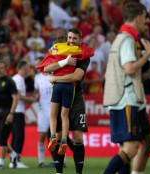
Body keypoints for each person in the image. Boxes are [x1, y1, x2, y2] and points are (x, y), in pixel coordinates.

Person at [103, 2, 150, 173]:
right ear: (138, 18)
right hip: (127, 99)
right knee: (131, 149)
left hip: (124, 97)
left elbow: (108, 74)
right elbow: (130, 68)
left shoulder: (120, 39)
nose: (146, 22)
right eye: (145, 18)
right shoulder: (127, 40)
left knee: (133, 147)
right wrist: (147, 55)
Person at [44, 27, 90, 174]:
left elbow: (76, 76)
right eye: (69, 38)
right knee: (57, 136)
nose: (71, 41)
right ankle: (58, 172)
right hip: (61, 94)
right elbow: (46, 67)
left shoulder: (83, 56)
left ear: (79, 41)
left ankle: (78, 172)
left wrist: (56, 78)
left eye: (74, 38)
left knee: (77, 136)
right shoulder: (60, 52)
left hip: (76, 98)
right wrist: (63, 62)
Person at [11, 60, 37, 168]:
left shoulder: (17, 78)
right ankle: (16, 161)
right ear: (23, 68)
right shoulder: (18, 79)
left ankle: (13, 161)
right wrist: (30, 100)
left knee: (15, 136)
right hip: (17, 111)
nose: (29, 70)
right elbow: (18, 95)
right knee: (19, 136)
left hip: (15, 111)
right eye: (27, 68)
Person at [33, 57, 52, 167]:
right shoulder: (37, 77)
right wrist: (35, 97)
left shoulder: (53, 75)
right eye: (36, 64)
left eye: (38, 64)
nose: (37, 66)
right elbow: (36, 92)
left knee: (56, 135)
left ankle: (61, 160)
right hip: (43, 109)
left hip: (54, 108)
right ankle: (41, 161)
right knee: (42, 135)